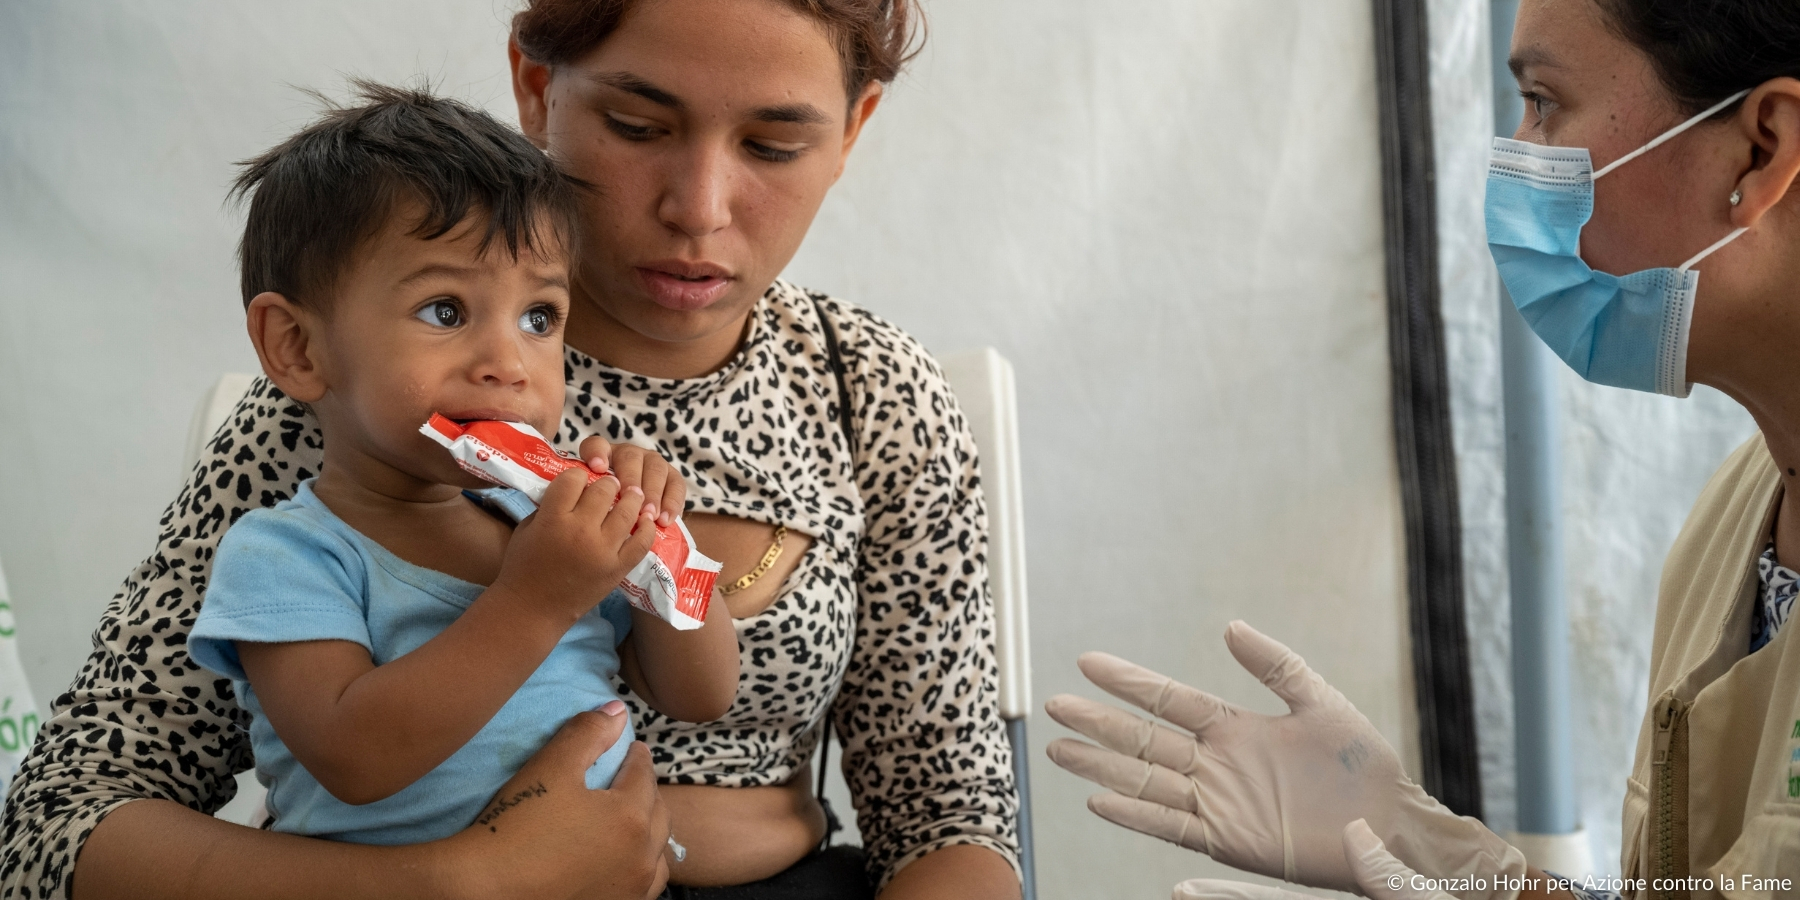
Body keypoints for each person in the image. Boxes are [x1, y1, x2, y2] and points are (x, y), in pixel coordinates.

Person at [0, 1, 1021, 898]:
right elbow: (61, 823)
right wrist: (458, 884)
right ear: (536, 87)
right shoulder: (365, 409)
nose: (698, 209)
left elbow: (955, 827)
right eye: (636, 124)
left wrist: (670, 566)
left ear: (852, 131)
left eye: (774, 145)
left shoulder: (867, 391)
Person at [1045, 0, 1800, 898]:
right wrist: (1444, 856)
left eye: (1544, 102)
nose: (1517, 158)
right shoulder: (1734, 520)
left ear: (1761, 148)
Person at [185, 83, 740, 846]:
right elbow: (357, 757)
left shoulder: (548, 526)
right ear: (297, 347)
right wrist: (536, 599)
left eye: (539, 317)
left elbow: (702, 693)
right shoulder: (285, 555)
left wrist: (660, 542)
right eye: (445, 310)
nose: (509, 363)